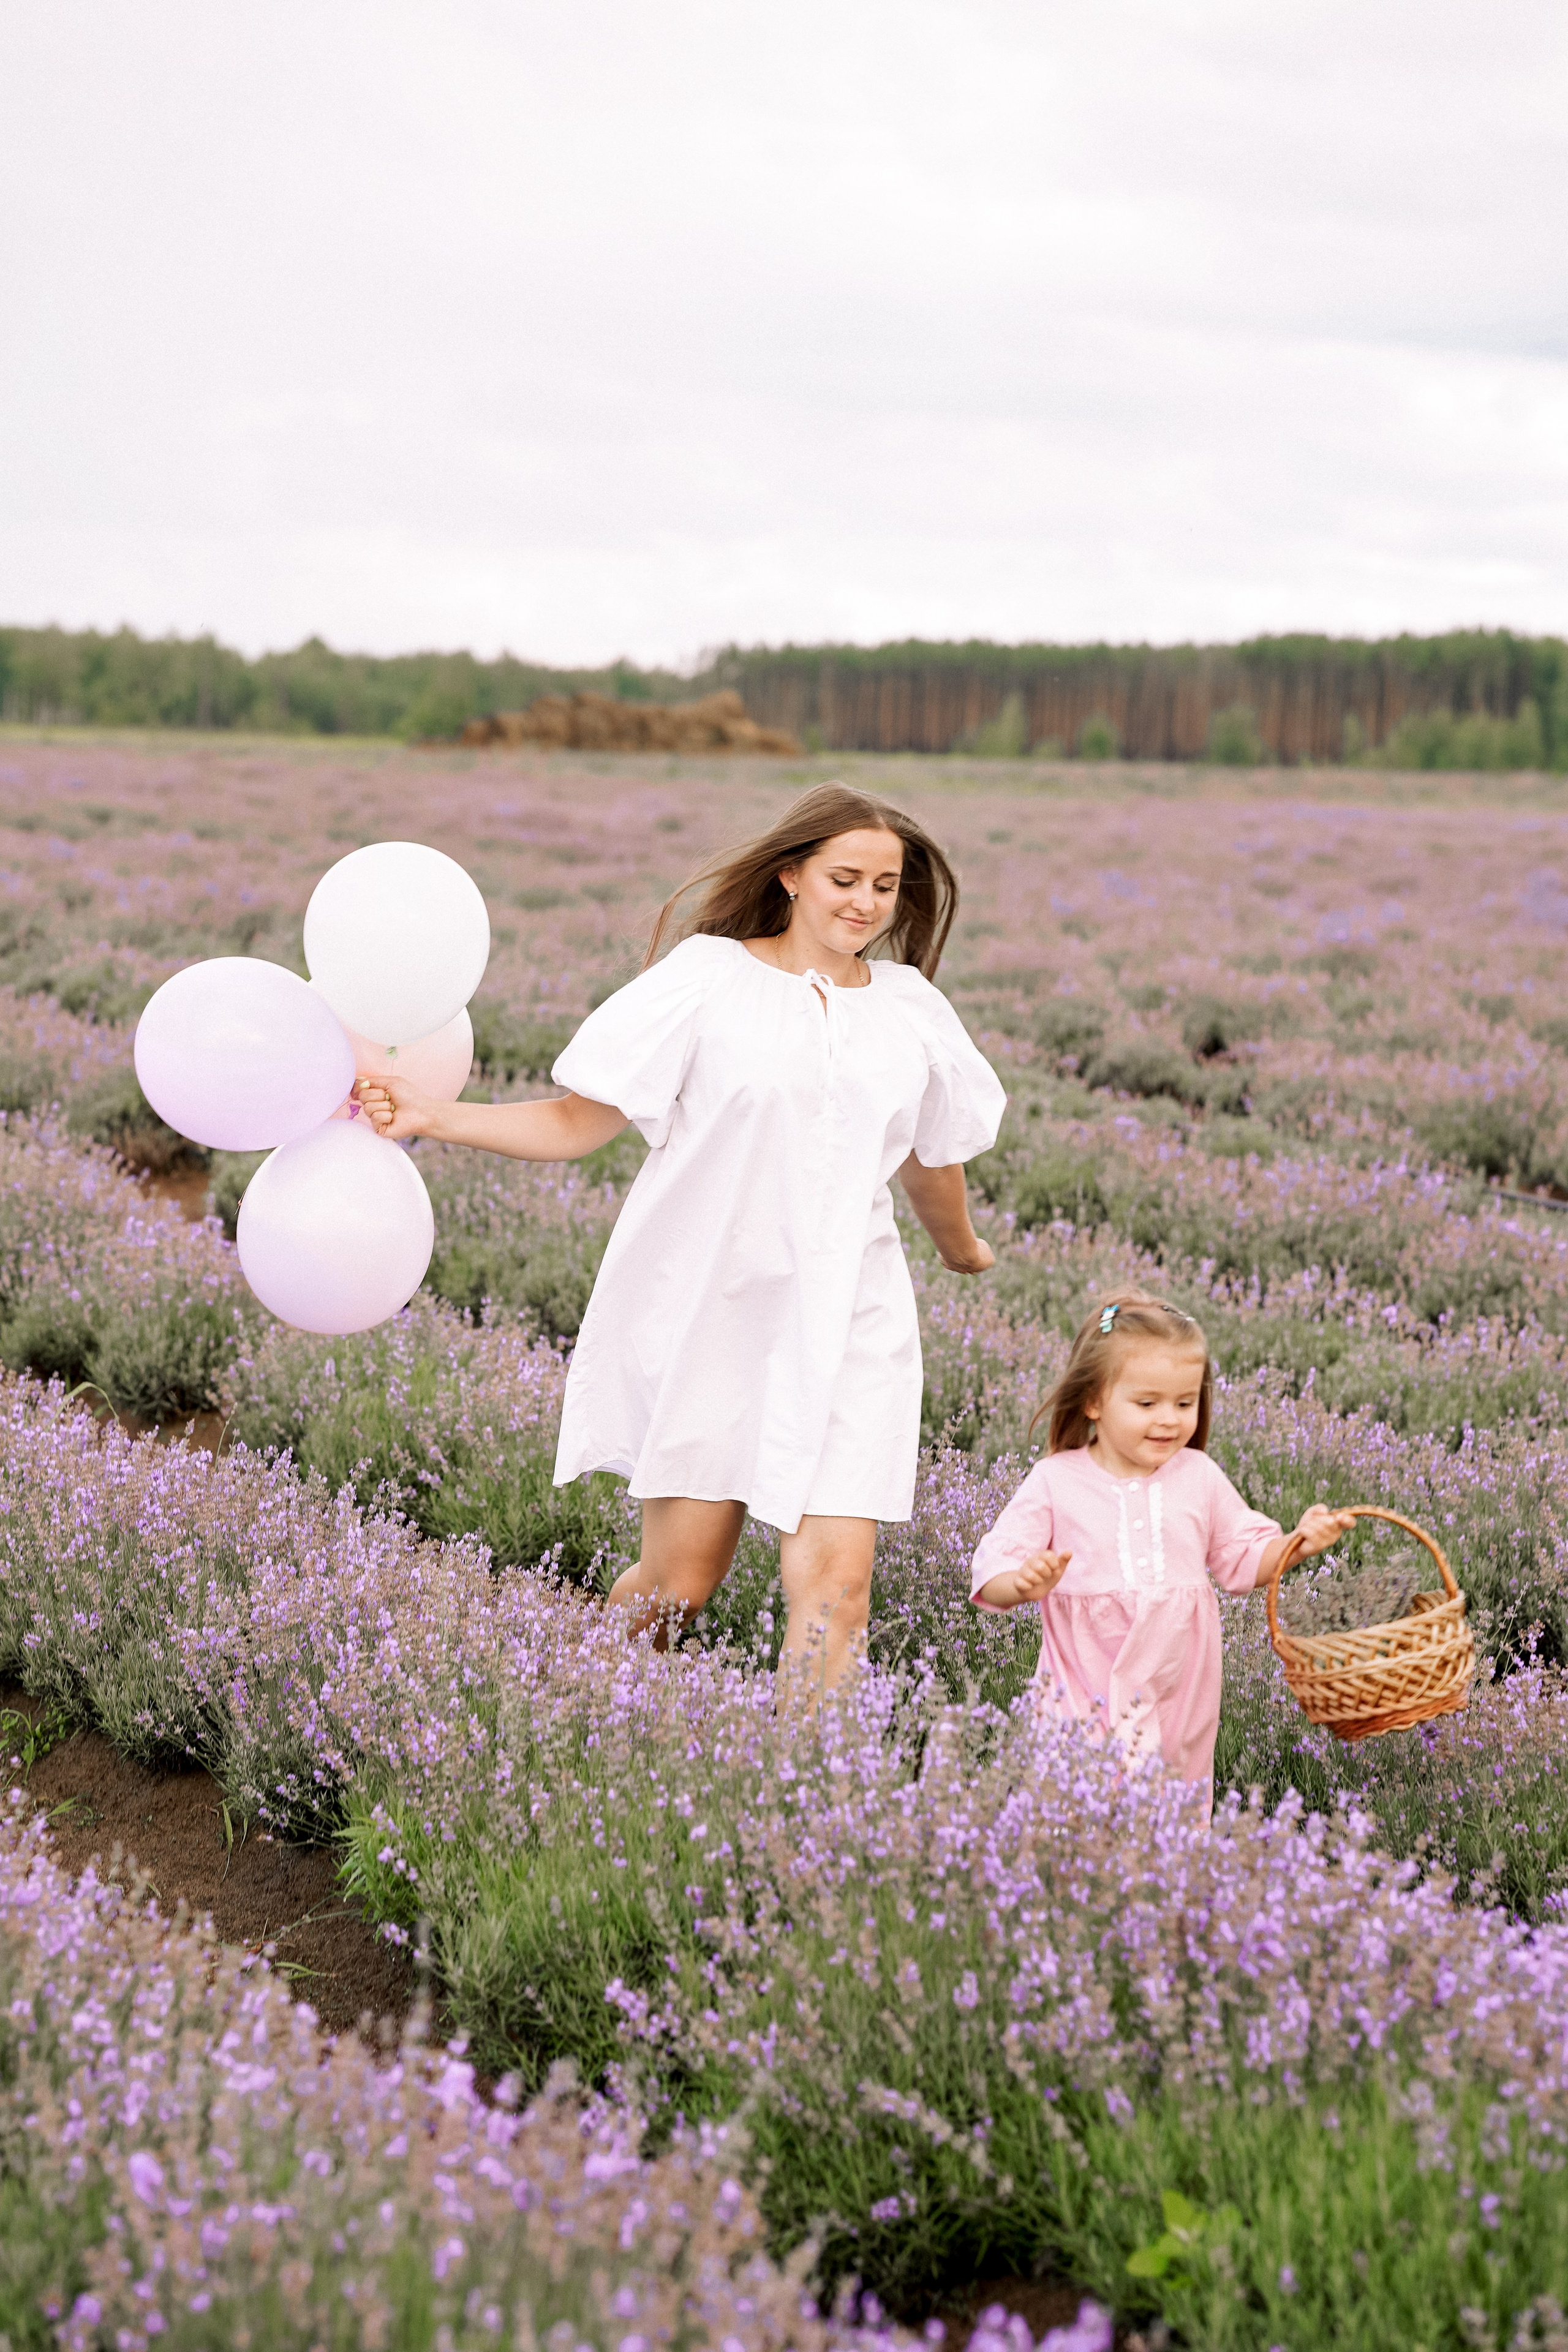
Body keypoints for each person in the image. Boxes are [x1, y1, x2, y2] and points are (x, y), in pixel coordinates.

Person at [355, 782, 1006, 1691]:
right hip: (717, 1311)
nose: (864, 903)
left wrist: (959, 1245)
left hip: (852, 1317)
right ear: (790, 875)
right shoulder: (709, 979)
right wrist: (434, 1115)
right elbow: (580, 1121)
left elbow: (929, 1155)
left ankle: (802, 1806)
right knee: (678, 1587)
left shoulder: (909, 1009)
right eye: (844, 878)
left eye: (885, 887)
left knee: (838, 1589)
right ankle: (583, 1709)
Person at [969, 1289, 1354, 1806]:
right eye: (1147, 1403)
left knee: (1169, 1806)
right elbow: (997, 1561)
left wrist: (1297, 1544)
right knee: (1077, 1803)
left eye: (1185, 1402)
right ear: (1094, 1401)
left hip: (1179, 1686)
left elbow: (1243, 1559)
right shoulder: (1055, 1481)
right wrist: (1020, 1583)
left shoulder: (1198, 1476)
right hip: (1083, 1679)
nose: (1169, 1419)